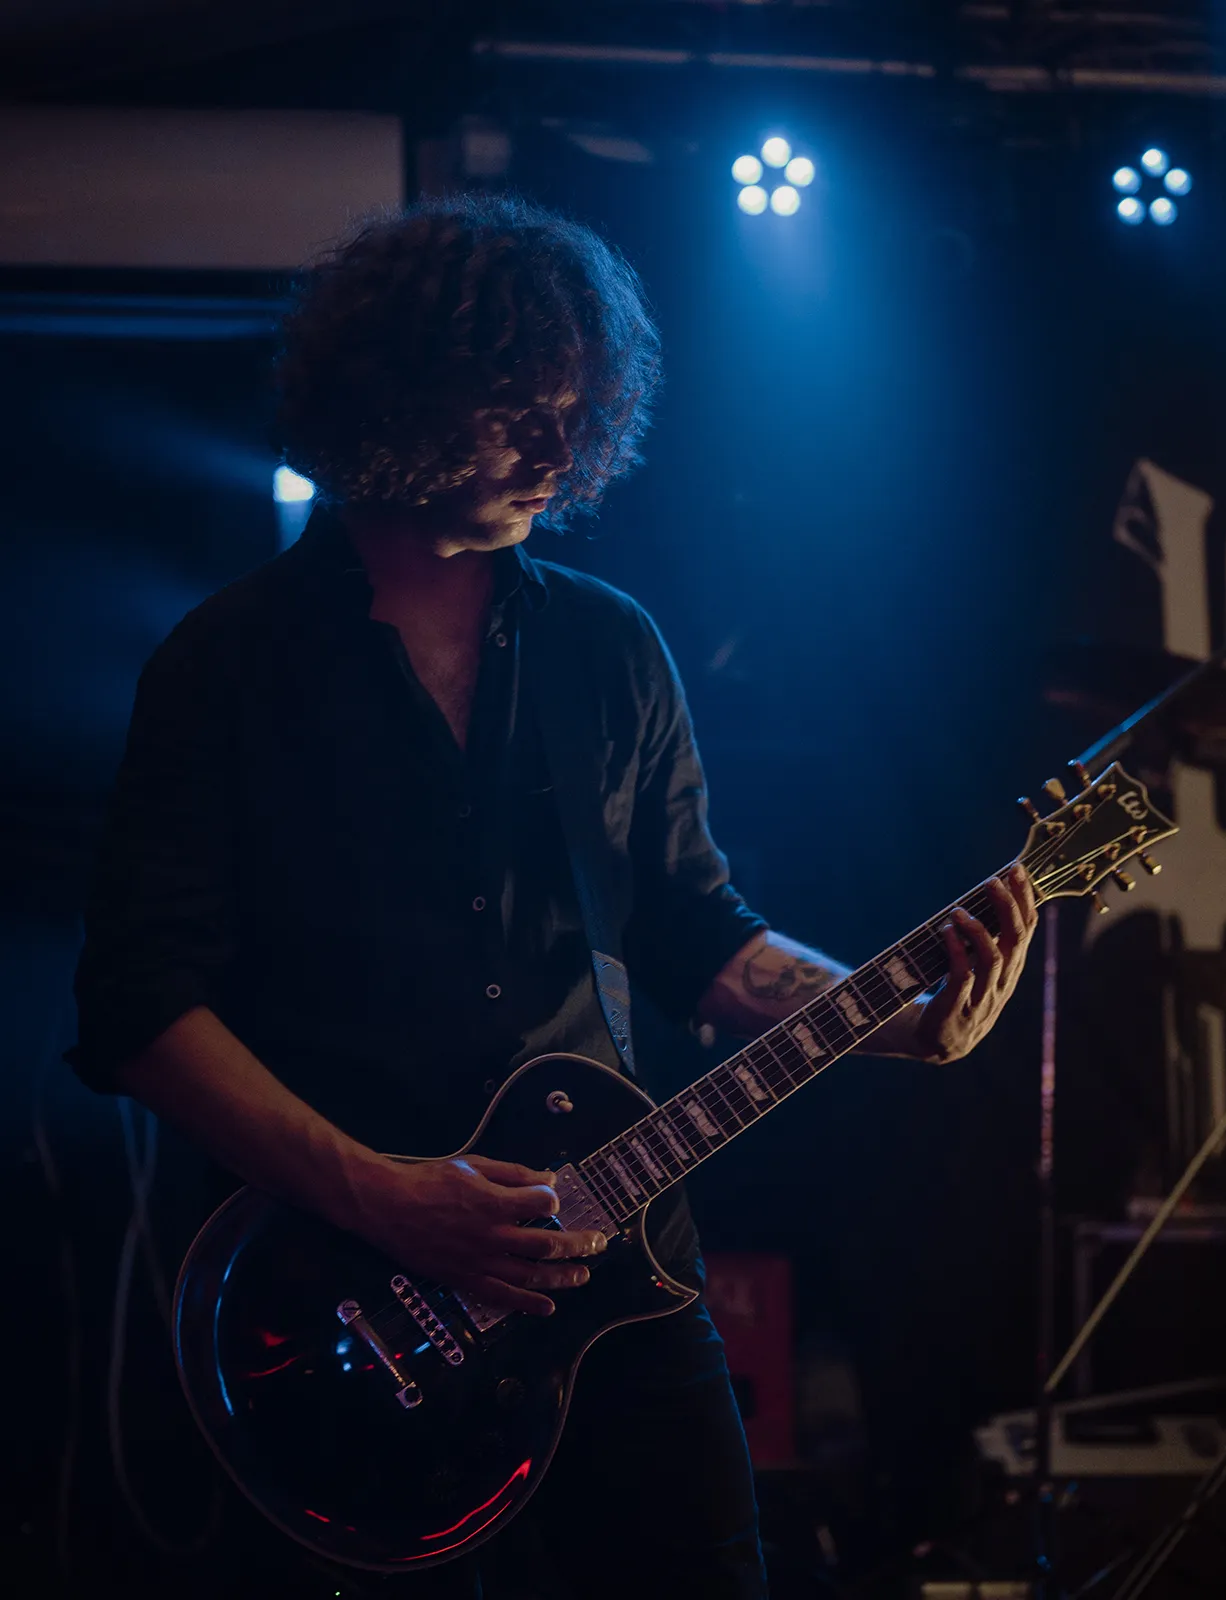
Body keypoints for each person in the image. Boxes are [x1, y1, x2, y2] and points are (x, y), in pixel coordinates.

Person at [69, 193, 1037, 1599]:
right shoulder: (225, 666)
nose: (561, 454)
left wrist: (889, 1014)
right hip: (344, 1302)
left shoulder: (611, 647)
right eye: (521, 413)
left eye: (579, 415)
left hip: (618, 1274)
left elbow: (695, 929)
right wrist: (385, 1197)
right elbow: (137, 1004)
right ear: (400, 398)